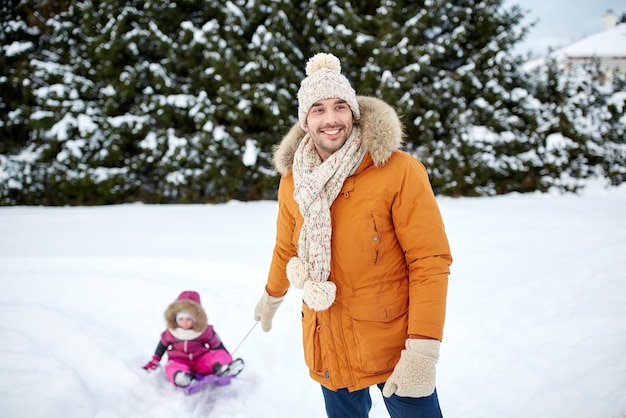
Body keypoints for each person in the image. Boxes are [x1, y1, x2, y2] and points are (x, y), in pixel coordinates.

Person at [253, 53, 452, 418]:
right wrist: (271, 296)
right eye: (318, 109)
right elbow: (286, 247)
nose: (331, 119)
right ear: (305, 119)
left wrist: (423, 350)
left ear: (353, 111)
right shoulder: (293, 181)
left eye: (339, 106)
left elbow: (429, 261)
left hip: (395, 348)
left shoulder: (399, 170)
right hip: (328, 340)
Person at [142, 290, 241, 387]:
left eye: (188, 319)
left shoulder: (203, 330)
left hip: (201, 360)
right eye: (181, 319)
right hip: (179, 360)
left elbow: (216, 345)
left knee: (218, 354)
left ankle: (224, 368)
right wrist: (155, 361)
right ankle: (182, 377)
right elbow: (162, 346)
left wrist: (225, 357)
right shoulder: (172, 332)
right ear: (175, 319)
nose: (184, 323)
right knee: (171, 366)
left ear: (196, 319)